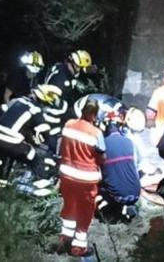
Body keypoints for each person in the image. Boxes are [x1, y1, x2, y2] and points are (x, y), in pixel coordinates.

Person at [57, 100, 106, 257]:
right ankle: (79, 247)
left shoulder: (69, 124)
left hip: (67, 175)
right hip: (86, 179)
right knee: (85, 213)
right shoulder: (96, 133)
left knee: (69, 207)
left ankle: (65, 239)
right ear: (94, 114)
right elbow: (102, 156)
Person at [0, 84, 60, 190]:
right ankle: (42, 187)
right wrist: (51, 147)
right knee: (32, 156)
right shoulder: (36, 109)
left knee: (2, 161)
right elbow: (45, 131)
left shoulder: (17, 100)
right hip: (9, 140)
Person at [42, 50, 93, 149]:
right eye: (80, 68)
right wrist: (69, 110)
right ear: (76, 65)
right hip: (50, 120)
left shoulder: (60, 67)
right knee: (52, 147)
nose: (80, 71)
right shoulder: (62, 81)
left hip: (48, 114)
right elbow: (55, 104)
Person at [97, 109, 141, 221]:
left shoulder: (102, 145)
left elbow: (98, 170)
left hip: (117, 196)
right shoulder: (130, 142)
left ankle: (111, 210)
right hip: (136, 193)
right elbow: (137, 165)